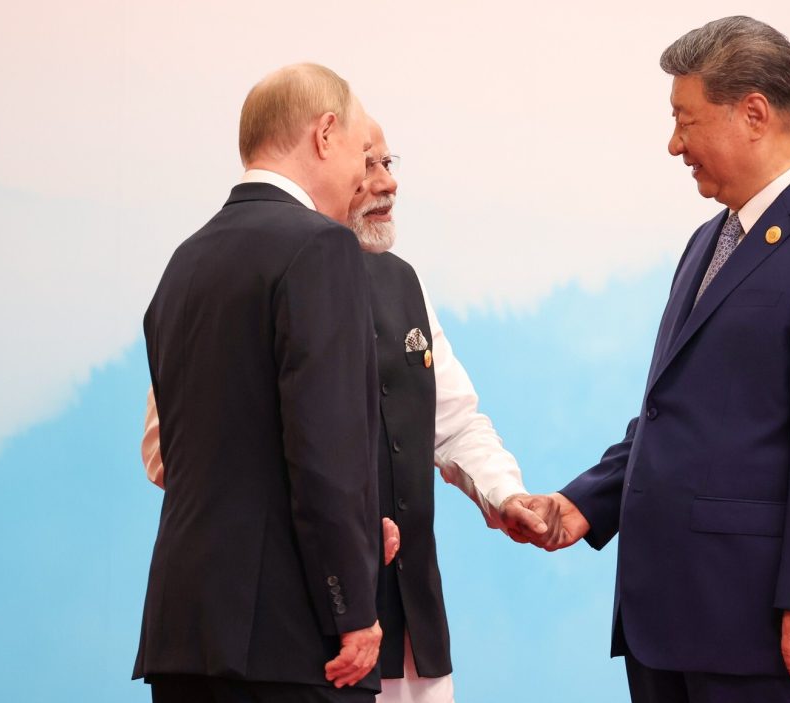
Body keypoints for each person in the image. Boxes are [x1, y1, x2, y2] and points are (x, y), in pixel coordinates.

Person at [540, 16, 790, 703]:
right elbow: (678, 411)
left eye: (686, 119)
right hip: (676, 621)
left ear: (754, 114)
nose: (674, 143)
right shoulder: (710, 239)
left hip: (770, 633)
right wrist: (584, 502)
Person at [140, 115, 560, 702]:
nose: (386, 182)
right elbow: (172, 450)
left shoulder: (403, 281)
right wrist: (336, 522)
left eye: (390, 163)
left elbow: (454, 420)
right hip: (298, 629)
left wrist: (504, 492)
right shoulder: (245, 273)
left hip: (406, 628)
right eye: (368, 164)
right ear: (325, 161)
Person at [134, 63, 387, 702]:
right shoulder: (322, 248)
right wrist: (352, 608)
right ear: (325, 134)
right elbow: (324, 452)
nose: (365, 178)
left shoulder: (184, 261)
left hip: (183, 635)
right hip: (291, 645)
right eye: (363, 154)